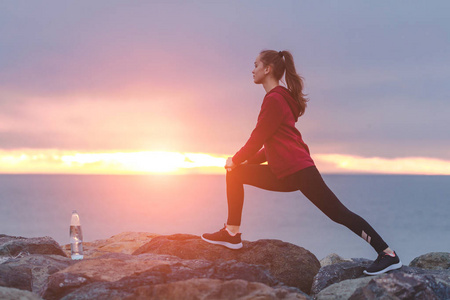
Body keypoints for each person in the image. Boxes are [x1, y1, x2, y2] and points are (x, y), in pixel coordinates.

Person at [201, 49, 403, 276]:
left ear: (267, 69)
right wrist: (240, 164)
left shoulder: (275, 99)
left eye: (256, 65)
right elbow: (270, 147)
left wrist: (235, 159)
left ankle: (387, 254)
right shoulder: (280, 98)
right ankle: (232, 233)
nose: (252, 69)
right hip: (286, 171)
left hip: (299, 170)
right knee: (237, 173)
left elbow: (257, 138)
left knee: (339, 213)